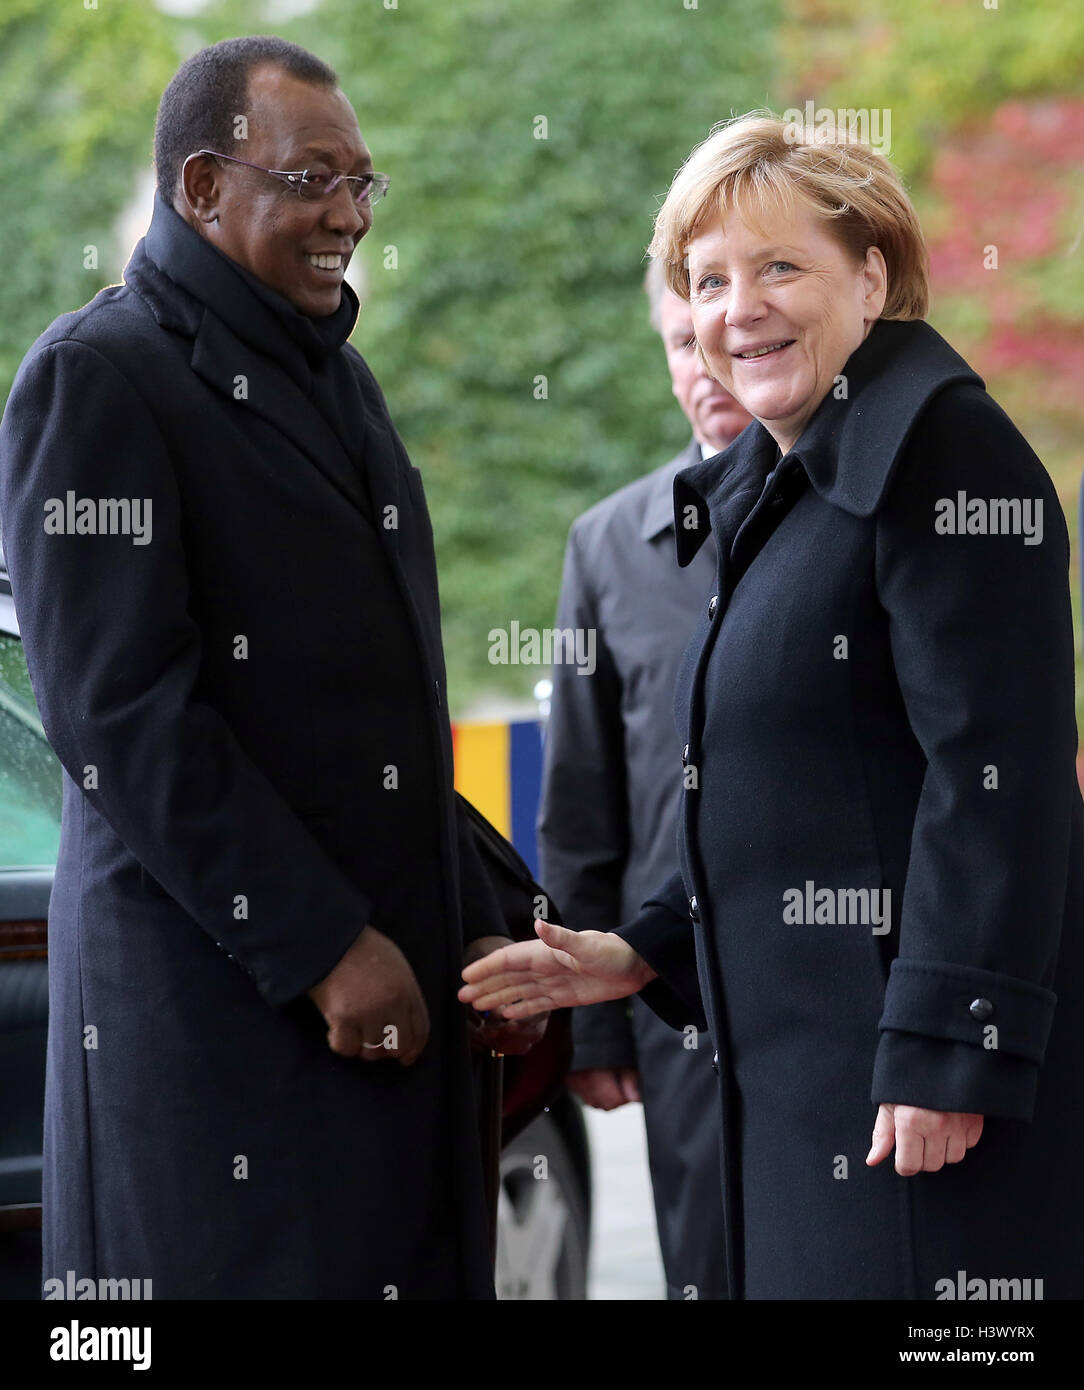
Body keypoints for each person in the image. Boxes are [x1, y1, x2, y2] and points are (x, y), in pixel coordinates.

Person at [462, 111, 1084, 1300]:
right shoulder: (782, 486)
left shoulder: (940, 453)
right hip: (801, 1095)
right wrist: (638, 951)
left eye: (778, 266)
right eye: (705, 279)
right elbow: (799, 799)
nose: (734, 307)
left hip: (909, 1107)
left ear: (873, 274)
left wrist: (955, 1044)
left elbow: (994, 775)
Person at [0, 35, 542, 1300]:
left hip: (388, 1020)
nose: (348, 215)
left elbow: (372, 720)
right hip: (229, 1035)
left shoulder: (339, 379)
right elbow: (123, 718)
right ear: (200, 185)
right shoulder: (97, 379)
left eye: (363, 183)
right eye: (312, 180)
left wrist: (496, 928)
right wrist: (316, 947)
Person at [536, 260, 751, 1299]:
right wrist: (593, 1020)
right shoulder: (607, 547)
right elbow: (582, 798)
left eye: (715, 336)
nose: (702, 363)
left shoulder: (860, 520)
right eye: (677, 341)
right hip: (679, 997)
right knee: (706, 1264)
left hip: (844, 982)